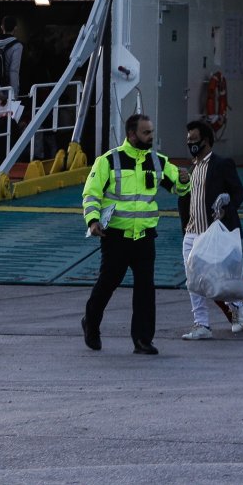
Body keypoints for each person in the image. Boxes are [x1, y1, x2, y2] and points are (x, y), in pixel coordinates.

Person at [81, 113, 189, 356]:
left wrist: (184, 180)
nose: (151, 136)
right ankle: (91, 324)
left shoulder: (159, 161)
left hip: (145, 237)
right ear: (131, 135)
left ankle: (142, 339)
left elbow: (178, 187)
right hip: (116, 237)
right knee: (107, 285)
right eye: (146, 132)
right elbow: (91, 194)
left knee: (145, 289)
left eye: (151, 131)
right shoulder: (108, 161)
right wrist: (93, 220)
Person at [178, 118, 243, 339]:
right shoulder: (193, 168)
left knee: (217, 278)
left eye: (194, 140)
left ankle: (236, 304)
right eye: (188, 140)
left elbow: (239, 193)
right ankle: (202, 324)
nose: (190, 144)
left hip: (211, 232)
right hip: (191, 231)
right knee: (193, 279)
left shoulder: (221, 164)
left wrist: (227, 202)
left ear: (206, 141)